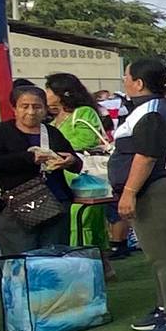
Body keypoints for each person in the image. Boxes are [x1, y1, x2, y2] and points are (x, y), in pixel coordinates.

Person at [111, 59, 166, 331]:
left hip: (154, 188)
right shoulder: (147, 108)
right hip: (147, 187)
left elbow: (146, 156)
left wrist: (129, 192)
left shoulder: (152, 111)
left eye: (126, 76)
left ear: (139, 83)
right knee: (154, 255)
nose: (124, 81)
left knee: (162, 254)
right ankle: (162, 307)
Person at [0, 85, 80, 255]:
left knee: (53, 256)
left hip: (55, 203)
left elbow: (75, 162)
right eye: (25, 106)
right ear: (14, 108)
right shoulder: (2, 132)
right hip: (16, 204)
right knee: (21, 257)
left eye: (37, 107)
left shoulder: (52, 133)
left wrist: (70, 161)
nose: (31, 112)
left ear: (45, 109)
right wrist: (29, 158)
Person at [46, 71, 111, 260]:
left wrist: (55, 148)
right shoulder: (54, 120)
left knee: (85, 221)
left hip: (85, 178)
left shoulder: (83, 113)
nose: (45, 95)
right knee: (71, 221)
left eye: (48, 90)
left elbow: (87, 139)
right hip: (62, 181)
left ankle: (93, 261)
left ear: (62, 92)